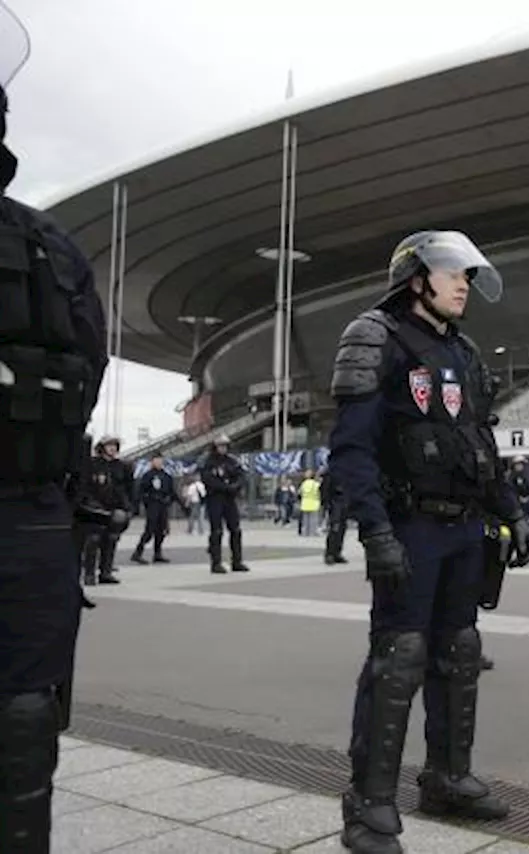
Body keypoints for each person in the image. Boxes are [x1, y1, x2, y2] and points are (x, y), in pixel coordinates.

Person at [328, 230, 529, 853]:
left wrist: (511, 511)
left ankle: (447, 778)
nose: (462, 284)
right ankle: (368, 809)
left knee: (459, 653)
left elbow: (477, 442)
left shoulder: (466, 352)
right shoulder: (375, 336)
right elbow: (352, 451)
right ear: (415, 277)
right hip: (409, 526)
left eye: (468, 276)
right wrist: (375, 532)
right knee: (398, 663)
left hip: (464, 529)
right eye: (452, 273)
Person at [0, 48, 111, 851]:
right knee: (25, 709)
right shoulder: (54, 248)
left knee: (25, 708)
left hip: (37, 513)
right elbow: (88, 369)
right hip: (34, 510)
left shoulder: (51, 248)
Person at [80, 437, 131, 586]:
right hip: (94, 508)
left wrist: (127, 507)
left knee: (111, 539)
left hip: (114, 508)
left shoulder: (120, 466)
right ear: (102, 447)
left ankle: (105, 572)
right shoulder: (93, 464)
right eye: (109, 445)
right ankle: (89, 574)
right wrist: (90, 504)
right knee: (93, 539)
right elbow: (85, 486)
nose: (112, 448)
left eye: (115, 445)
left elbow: (125, 488)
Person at [200, 435, 250, 574]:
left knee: (235, 529)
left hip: (229, 499)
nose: (223, 448)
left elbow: (241, 475)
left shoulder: (232, 461)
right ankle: (216, 563)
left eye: (225, 446)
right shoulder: (208, 462)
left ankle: (237, 561)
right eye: (220, 446)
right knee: (216, 531)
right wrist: (225, 487)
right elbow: (208, 479)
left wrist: (236, 486)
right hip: (215, 498)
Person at [130, 455, 176, 564]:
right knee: (149, 530)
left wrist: (173, 501)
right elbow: (140, 491)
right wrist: (142, 503)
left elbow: (172, 492)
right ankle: (137, 552)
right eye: (156, 461)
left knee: (161, 530)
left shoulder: (166, 476)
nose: (159, 463)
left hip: (163, 505)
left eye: (160, 461)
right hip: (152, 504)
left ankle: (157, 553)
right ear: (152, 462)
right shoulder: (147, 475)